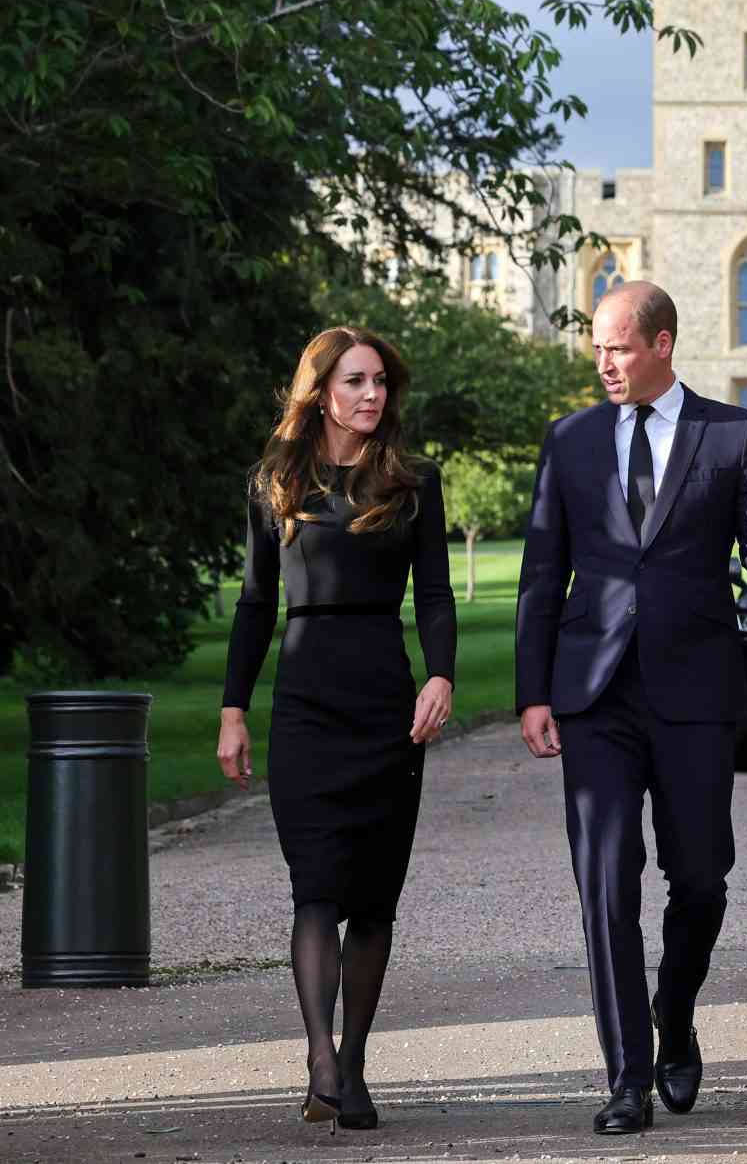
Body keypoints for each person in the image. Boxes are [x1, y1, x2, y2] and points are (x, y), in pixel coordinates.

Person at [515, 281, 747, 1136]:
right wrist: (533, 690)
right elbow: (543, 572)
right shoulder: (571, 439)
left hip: (695, 689)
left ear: (662, 343)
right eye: (596, 349)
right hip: (595, 693)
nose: (604, 362)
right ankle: (626, 1075)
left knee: (699, 877)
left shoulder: (730, 433)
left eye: (618, 347)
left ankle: (675, 1010)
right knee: (604, 885)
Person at [216, 326, 456, 1134]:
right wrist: (232, 709)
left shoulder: (415, 479)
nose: (373, 394)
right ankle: (321, 1057)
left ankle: (352, 1064)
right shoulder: (275, 481)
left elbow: (436, 596)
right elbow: (254, 603)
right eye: (356, 380)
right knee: (317, 887)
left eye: (381, 381)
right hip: (307, 706)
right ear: (320, 390)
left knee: (375, 899)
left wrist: (441, 672)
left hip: (385, 703)